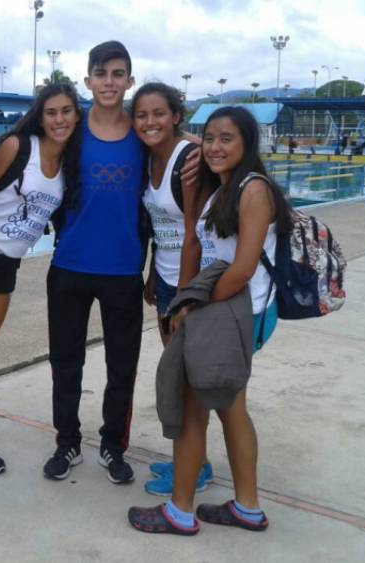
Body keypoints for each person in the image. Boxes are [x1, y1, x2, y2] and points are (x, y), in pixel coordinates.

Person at [128, 106, 292, 535]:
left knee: (195, 406)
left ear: (247, 144)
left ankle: (180, 511)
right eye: (211, 138)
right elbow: (205, 248)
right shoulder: (224, 189)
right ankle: (247, 508)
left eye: (227, 139)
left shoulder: (254, 190)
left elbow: (241, 267)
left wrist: (190, 308)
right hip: (226, 308)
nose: (215, 147)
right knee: (230, 410)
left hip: (235, 311)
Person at [0, 83, 82, 474]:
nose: (59, 119)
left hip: (4, 263)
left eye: (66, 111)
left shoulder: (70, 163)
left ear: (76, 116)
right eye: (51, 112)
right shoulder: (18, 147)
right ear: (40, 116)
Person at [42, 40, 149, 484]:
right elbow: (25, 137)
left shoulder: (143, 135)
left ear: (129, 80)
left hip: (124, 270)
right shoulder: (70, 131)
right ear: (88, 80)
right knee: (66, 363)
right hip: (70, 266)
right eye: (101, 74)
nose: (109, 82)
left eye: (117, 73)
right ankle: (66, 441)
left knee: (121, 367)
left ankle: (112, 445)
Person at [132, 82, 215, 496]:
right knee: (180, 377)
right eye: (142, 115)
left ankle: (196, 467)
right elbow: (157, 229)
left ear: (176, 116)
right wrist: (153, 276)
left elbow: (192, 235)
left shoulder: (189, 159)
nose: (150, 122)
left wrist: (184, 298)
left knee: (191, 379)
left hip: (190, 285)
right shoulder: (149, 158)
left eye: (159, 113)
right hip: (165, 279)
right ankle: (191, 456)